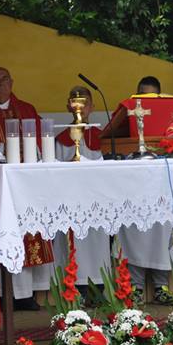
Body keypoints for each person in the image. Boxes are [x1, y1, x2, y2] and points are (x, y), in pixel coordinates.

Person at [0, 66, 48, 311]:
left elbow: (40, 144)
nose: (0, 84)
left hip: (25, 184)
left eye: (4, 79)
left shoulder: (26, 110)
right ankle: (0, 294)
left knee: (26, 233)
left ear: (12, 83)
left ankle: (24, 294)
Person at [118, 76, 173, 304]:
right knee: (132, 228)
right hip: (133, 182)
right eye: (141, 95)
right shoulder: (127, 115)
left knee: (163, 227)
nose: (145, 101)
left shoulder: (169, 118)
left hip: (161, 182)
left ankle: (162, 286)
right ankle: (136, 286)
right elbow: (115, 138)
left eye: (151, 96)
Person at [53, 86, 111, 292]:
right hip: (71, 203)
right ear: (68, 106)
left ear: (92, 106)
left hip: (97, 202)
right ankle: (74, 289)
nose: (81, 107)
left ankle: (99, 287)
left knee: (97, 244)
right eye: (76, 102)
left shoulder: (103, 137)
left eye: (85, 103)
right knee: (73, 247)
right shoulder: (61, 139)